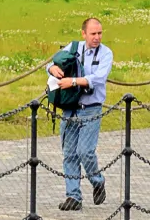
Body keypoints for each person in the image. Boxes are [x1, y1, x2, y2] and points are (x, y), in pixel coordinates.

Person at [45, 16, 114, 211]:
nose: (97, 37)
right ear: (84, 34)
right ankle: (73, 196)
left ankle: (97, 180)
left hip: (91, 109)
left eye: (100, 33)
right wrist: (53, 68)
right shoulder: (73, 47)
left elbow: (99, 78)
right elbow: (49, 64)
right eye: (93, 34)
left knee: (85, 151)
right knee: (69, 154)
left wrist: (73, 81)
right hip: (70, 108)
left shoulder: (106, 53)